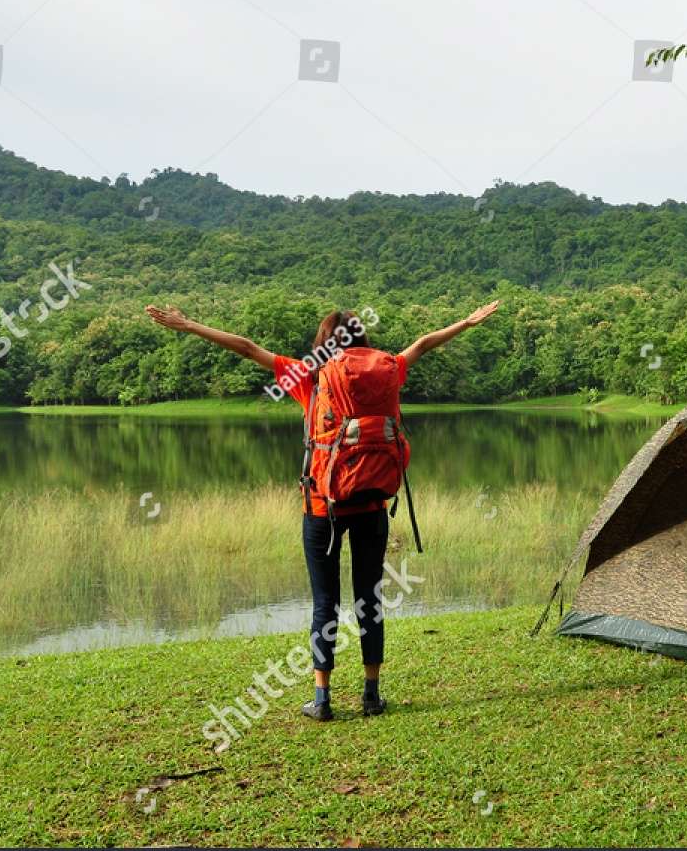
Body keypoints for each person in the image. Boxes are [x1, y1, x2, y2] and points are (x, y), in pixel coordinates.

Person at [144, 300, 500, 720]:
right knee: (369, 598)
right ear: (362, 342)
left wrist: (189, 325)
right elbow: (422, 344)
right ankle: (371, 695)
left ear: (321, 344)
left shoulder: (309, 377)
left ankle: (322, 700)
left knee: (324, 603)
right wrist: (467, 321)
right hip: (371, 503)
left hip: (322, 506)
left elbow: (245, 346)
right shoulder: (386, 371)